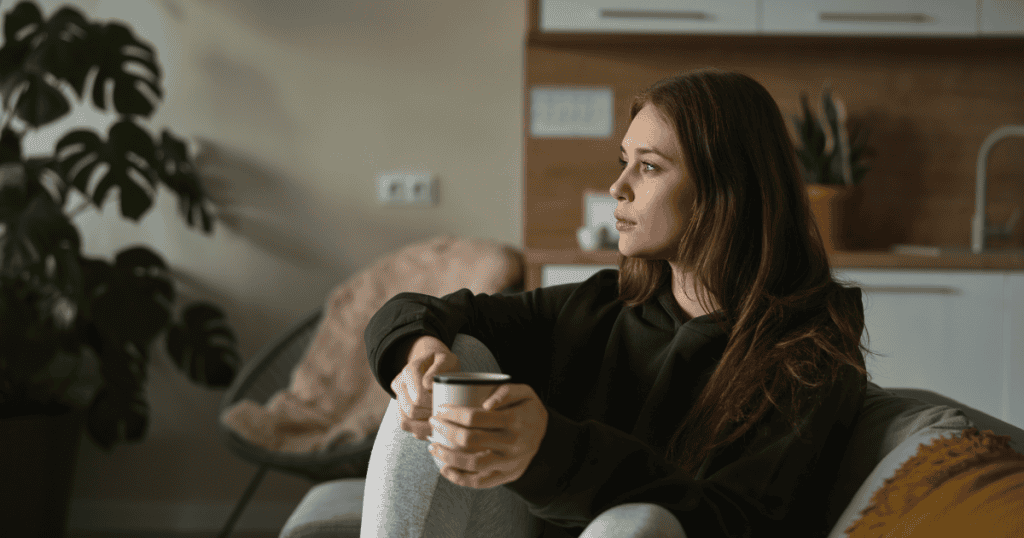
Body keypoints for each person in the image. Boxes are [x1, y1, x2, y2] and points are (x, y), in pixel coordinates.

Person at [361, 68, 868, 537]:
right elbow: (412, 309)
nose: (617, 187)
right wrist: (418, 354)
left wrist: (549, 452)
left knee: (638, 526)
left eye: (649, 167)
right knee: (454, 358)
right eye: (624, 163)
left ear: (725, 189)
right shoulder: (598, 307)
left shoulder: (810, 352)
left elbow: (739, 522)